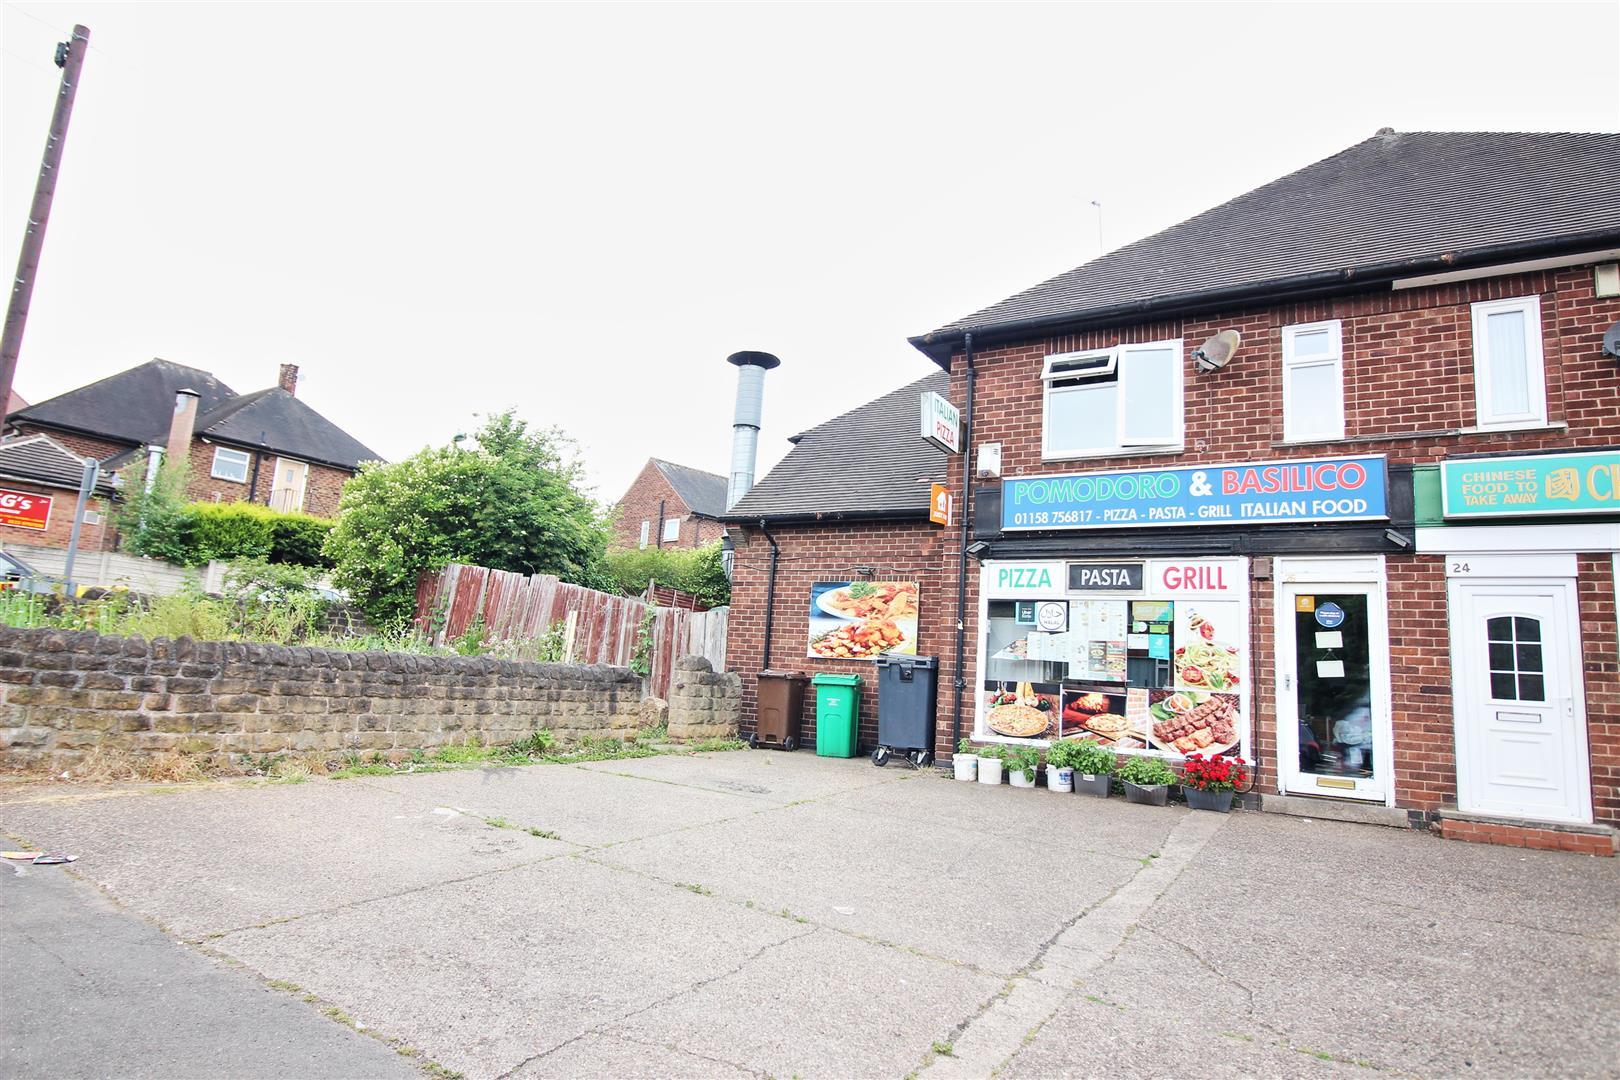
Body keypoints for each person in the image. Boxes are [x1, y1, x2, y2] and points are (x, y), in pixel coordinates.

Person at [1332, 705, 1374, 774]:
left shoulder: (1362, 717)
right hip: (1354, 748)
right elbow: (1348, 738)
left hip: (1361, 748)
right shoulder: (1346, 724)